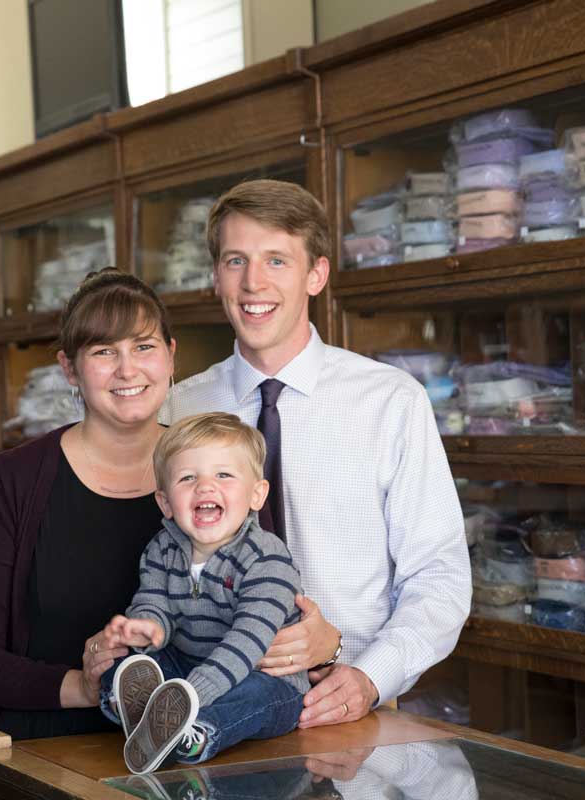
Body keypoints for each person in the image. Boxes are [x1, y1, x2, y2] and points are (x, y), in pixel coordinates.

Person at [167, 179, 472, 728]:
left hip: (351, 712)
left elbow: (439, 576)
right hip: (208, 700)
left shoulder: (391, 401)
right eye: (236, 260)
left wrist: (368, 677)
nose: (253, 282)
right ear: (216, 277)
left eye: (276, 260)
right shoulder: (179, 406)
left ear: (317, 274)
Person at [0, 269, 177, 739]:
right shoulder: (14, 479)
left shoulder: (222, 475)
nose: (127, 369)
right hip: (48, 747)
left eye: (144, 347)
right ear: (69, 368)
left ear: (172, 356)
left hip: (187, 746)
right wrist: (84, 688)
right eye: (104, 351)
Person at [98, 411, 308, 774]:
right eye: (187, 478)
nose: (206, 487)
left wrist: (194, 695)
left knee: (258, 697)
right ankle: (133, 707)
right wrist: (147, 627)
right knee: (120, 661)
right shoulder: (161, 548)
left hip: (260, 675)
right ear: (165, 502)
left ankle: (195, 733)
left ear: (256, 494)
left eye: (224, 475)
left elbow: (248, 641)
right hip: (186, 671)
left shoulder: (267, 558)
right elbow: (153, 600)